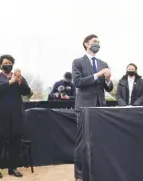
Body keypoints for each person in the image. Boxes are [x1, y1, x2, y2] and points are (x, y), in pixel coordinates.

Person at [72, 34, 114, 181]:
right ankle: (80, 174)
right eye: (94, 42)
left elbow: (108, 88)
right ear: (86, 44)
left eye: (98, 42)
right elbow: (77, 82)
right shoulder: (78, 62)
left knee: (99, 140)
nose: (97, 44)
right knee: (82, 141)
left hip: (100, 107)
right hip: (84, 107)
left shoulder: (104, 63)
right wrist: (98, 75)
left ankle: (98, 171)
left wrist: (108, 80)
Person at [0, 54, 31, 178]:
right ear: (1, 64)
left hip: (16, 115)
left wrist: (19, 80)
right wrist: (10, 82)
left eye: (10, 62)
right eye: (6, 62)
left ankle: (13, 168)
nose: (8, 64)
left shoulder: (18, 77)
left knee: (15, 143)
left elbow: (27, 91)